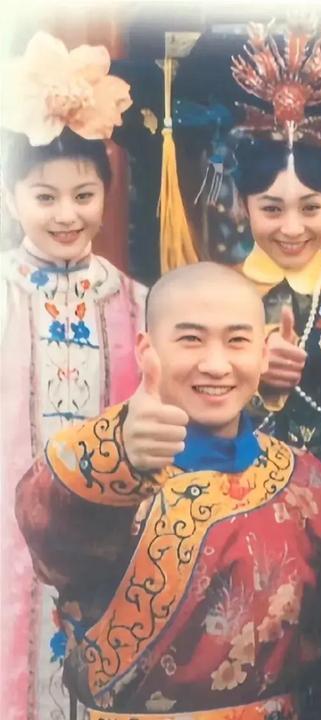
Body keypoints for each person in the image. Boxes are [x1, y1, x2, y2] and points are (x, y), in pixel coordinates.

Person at [169, 21, 321, 712]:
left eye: (310, 207)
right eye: (270, 208)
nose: (292, 227)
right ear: (240, 203)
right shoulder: (214, 293)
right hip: (241, 507)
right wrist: (253, 384)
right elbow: (181, 404)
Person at [15, 262, 321, 719]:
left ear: (263, 354)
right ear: (146, 349)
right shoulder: (108, 475)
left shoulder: (308, 481)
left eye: (237, 341)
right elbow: (45, 521)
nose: (216, 364)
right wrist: (119, 453)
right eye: (191, 339)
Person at [0, 32, 145, 719]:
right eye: (44, 196)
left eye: (84, 194)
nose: (66, 214)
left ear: (105, 194)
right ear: (11, 197)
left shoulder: (137, 303)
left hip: (113, 540)